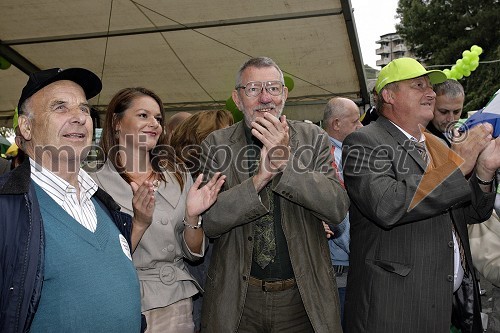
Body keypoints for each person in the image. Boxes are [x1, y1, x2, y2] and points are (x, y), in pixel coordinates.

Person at [342, 57, 500, 333]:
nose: (430, 93)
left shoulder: (437, 143)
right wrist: (455, 167)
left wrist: (484, 173)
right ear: (389, 95)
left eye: (430, 86)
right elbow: (387, 205)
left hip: (440, 301)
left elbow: (472, 212)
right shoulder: (364, 141)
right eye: (418, 85)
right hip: (393, 307)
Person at [198, 57, 349, 332]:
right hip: (238, 300)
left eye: (273, 88)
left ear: (285, 94)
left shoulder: (312, 137)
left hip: (302, 298)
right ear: (238, 97)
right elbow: (210, 221)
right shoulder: (217, 144)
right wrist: (260, 178)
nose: (265, 97)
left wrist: (285, 163)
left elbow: (336, 208)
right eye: (254, 89)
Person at [0, 68, 153, 332]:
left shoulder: (104, 204)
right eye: (60, 107)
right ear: (26, 127)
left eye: (84, 109)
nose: (79, 118)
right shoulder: (8, 208)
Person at [90, 87, 225, 333]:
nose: (154, 123)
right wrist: (139, 223)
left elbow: (194, 254)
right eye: (143, 115)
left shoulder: (178, 175)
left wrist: (193, 216)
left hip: (176, 300)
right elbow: (100, 261)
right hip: (124, 301)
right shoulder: (94, 185)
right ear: (116, 122)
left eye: (158, 118)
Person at [322, 96, 363, 327]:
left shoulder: (343, 152)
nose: (361, 127)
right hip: (342, 267)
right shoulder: (330, 157)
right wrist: (360, 253)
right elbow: (338, 214)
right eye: (355, 122)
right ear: (336, 124)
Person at [426, 79, 465, 146]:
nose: (451, 119)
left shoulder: (457, 134)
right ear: (430, 106)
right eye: (443, 112)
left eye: (456, 112)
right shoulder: (422, 138)